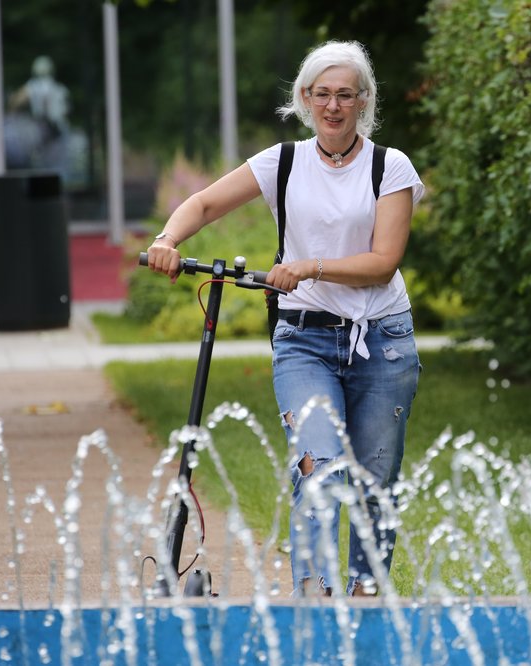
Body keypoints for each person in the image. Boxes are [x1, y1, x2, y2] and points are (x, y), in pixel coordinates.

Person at [146, 40, 424, 598]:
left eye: (346, 94)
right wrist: (168, 238)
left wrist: (310, 266)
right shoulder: (284, 161)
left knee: (373, 484)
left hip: (383, 342)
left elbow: (382, 262)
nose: (333, 106)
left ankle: (366, 600)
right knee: (319, 468)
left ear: (364, 100)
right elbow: (202, 203)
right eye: (322, 94)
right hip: (305, 342)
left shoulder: (388, 167)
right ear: (304, 98)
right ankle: (314, 603)